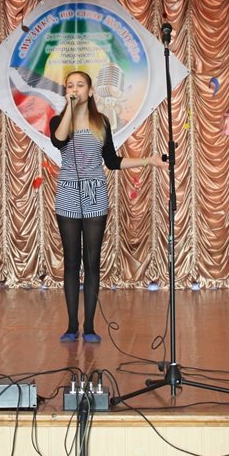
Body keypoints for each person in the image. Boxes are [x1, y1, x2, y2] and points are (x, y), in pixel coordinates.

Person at [49, 70, 166, 343]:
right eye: (70, 86)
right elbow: (58, 140)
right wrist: (69, 109)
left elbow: (112, 161)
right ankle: (72, 325)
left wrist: (148, 161)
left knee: (91, 262)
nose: (74, 89)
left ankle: (89, 326)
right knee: (71, 262)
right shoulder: (58, 120)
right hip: (67, 193)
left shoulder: (101, 122)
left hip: (95, 194)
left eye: (80, 85)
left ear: (90, 91)